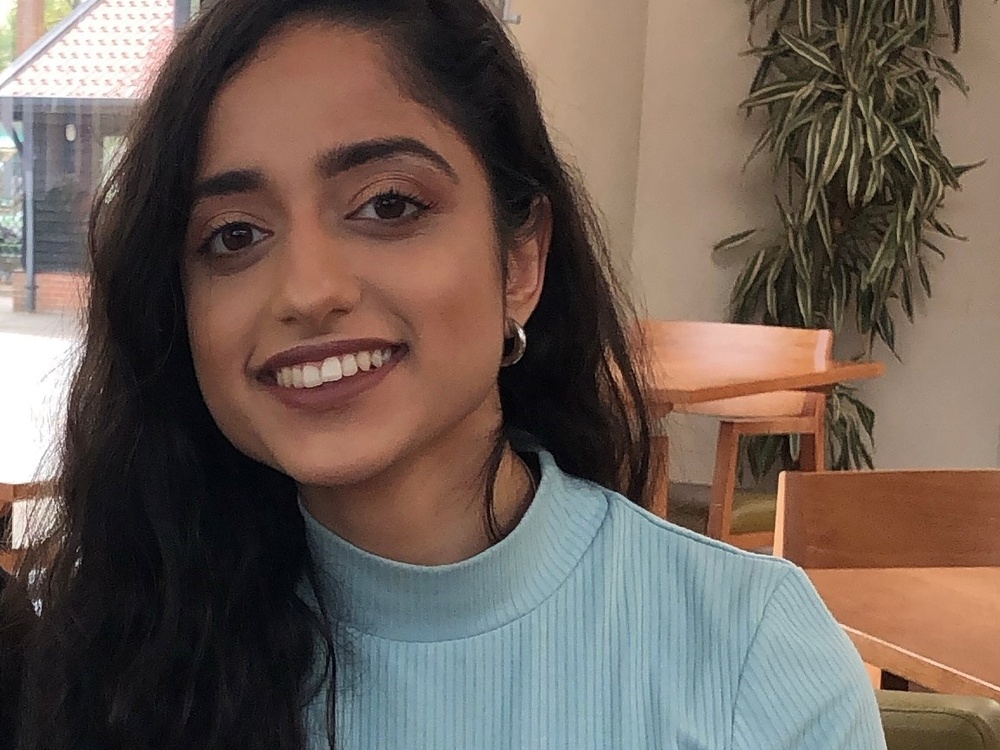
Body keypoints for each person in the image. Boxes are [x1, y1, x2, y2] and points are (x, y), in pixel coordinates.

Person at [0, 0, 887, 748]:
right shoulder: (106, 656)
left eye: (389, 206)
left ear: (521, 261)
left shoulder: (750, 661)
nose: (309, 291)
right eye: (234, 235)